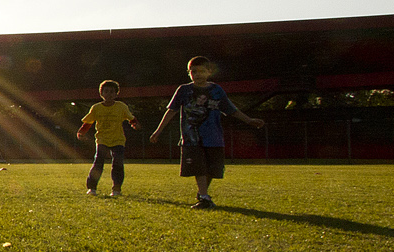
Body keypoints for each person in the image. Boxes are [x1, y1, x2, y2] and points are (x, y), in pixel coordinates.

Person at [145, 56, 264, 209]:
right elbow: (171, 111)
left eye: (202, 71)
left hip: (214, 137)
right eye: (194, 71)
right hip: (192, 138)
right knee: (199, 167)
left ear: (209, 72)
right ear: (189, 73)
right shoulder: (184, 90)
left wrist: (248, 120)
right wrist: (158, 131)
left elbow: (230, 109)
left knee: (212, 169)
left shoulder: (216, 90)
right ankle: (204, 197)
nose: (198, 74)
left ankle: (203, 194)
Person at [77, 79, 139, 197]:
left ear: (116, 94)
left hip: (118, 140)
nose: (109, 94)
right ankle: (92, 188)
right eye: (106, 92)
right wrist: (82, 132)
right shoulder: (96, 108)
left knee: (117, 163)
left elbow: (131, 118)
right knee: (98, 163)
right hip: (102, 139)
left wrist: (135, 124)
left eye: (112, 92)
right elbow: (89, 122)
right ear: (101, 93)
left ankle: (116, 189)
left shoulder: (121, 106)